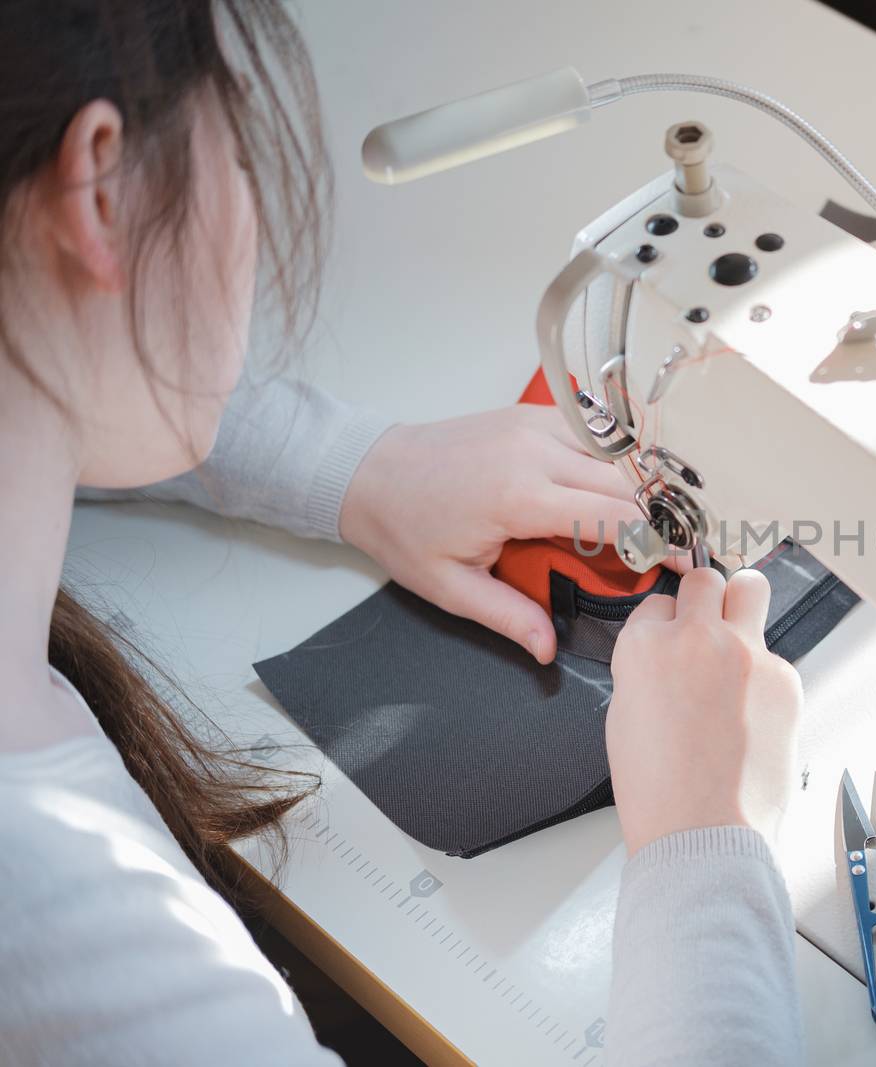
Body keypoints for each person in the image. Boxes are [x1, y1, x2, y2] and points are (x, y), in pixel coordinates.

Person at [0, 2, 805, 1064]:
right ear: (101, 186)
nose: (246, 185)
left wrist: (352, 470)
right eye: (234, 136)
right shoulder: (111, 967)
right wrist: (708, 847)